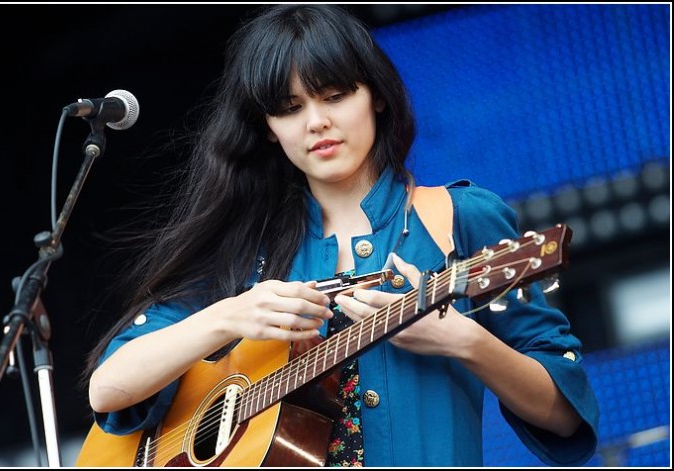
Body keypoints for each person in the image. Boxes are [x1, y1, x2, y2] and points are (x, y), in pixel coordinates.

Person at [84, 4, 598, 467]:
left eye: (335, 95)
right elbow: (109, 389)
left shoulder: (461, 216)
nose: (317, 122)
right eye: (289, 108)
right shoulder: (242, 250)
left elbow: (566, 415)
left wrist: (465, 341)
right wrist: (229, 315)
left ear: (375, 95)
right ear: (267, 127)